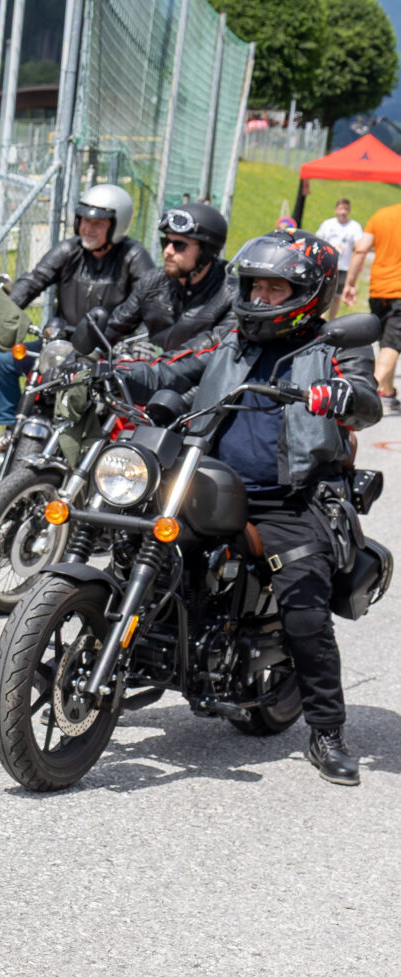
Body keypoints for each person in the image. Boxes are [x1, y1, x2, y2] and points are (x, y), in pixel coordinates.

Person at [115, 230, 380, 786]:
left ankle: (327, 732)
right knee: (132, 538)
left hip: (291, 498)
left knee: (305, 607)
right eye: (255, 286)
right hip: (210, 484)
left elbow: (366, 399)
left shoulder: (335, 345)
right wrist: (108, 371)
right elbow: (172, 368)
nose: (260, 298)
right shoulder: (231, 338)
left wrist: (341, 395)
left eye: (274, 288)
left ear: (309, 294)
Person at [0, 183, 153, 454]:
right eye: (85, 220)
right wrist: (8, 310)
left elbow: (151, 299)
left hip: (107, 349)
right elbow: (35, 279)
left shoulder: (133, 256)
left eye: (98, 223)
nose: (88, 228)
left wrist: (139, 341)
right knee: (2, 360)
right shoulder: (69, 250)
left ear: (116, 225)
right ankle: (9, 427)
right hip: (62, 343)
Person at [105, 203, 236, 352]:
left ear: (206, 250)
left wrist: (155, 361)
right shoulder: (152, 282)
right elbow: (112, 330)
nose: (168, 251)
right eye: (165, 242)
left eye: (179, 245)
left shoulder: (231, 296)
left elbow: (210, 354)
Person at [341, 201, 401, 414]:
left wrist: (349, 283)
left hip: (378, 291)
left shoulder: (381, 215)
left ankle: (387, 392)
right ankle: (363, 393)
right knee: (392, 345)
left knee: (387, 344)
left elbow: (360, 250)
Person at [314, 197, 361, 319]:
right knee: (324, 294)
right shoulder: (328, 224)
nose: (343, 212)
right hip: (327, 265)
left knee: (336, 297)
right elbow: (318, 240)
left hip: (344, 267)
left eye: (346, 209)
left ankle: (331, 321)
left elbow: (359, 246)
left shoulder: (354, 226)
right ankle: (320, 319)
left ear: (349, 211)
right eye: (341, 209)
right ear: (336, 210)